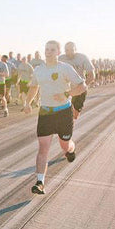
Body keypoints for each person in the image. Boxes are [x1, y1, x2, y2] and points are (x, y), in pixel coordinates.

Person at [23, 40, 86, 195]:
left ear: (58, 52)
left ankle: (71, 149)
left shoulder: (65, 68)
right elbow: (33, 87)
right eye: (46, 49)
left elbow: (82, 87)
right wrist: (28, 103)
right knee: (43, 148)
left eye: (52, 50)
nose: (48, 52)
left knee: (64, 146)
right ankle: (40, 182)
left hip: (63, 112)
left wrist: (66, 94)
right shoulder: (38, 70)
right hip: (45, 113)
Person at [58, 42, 95, 119]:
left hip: (79, 89)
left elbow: (91, 75)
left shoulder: (82, 58)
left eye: (72, 50)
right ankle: (66, 127)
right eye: (67, 50)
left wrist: (84, 86)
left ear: (75, 49)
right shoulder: (60, 59)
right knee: (66, 112)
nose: (69, 52)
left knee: (75, 115)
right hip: (66, 89)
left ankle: (69, 124)